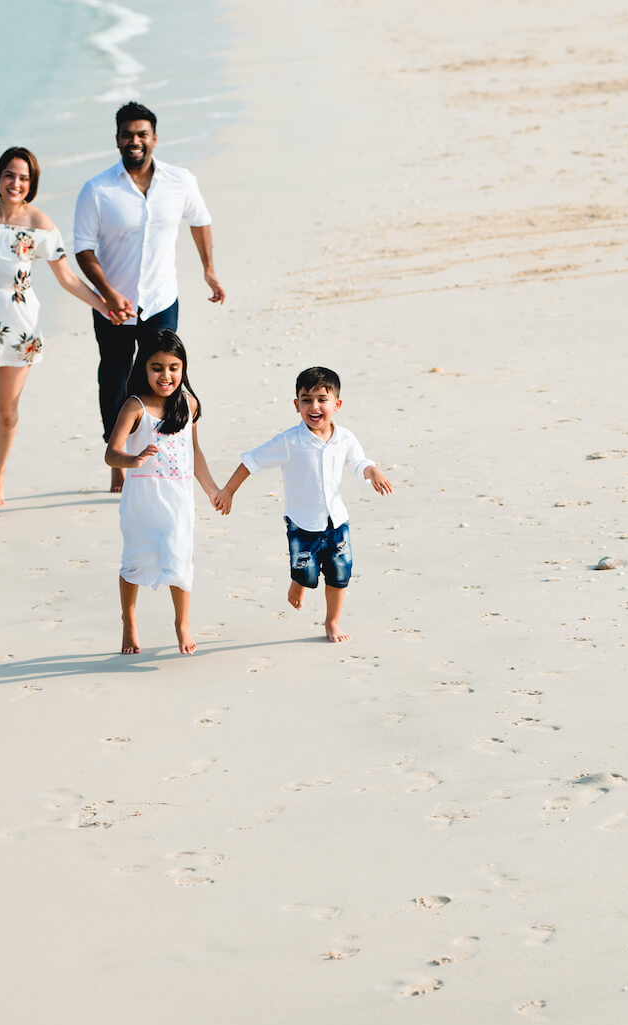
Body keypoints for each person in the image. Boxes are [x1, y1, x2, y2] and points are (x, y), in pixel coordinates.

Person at [0, 146, 121, 517]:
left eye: (23, 177)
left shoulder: (41, 224)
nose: (15, 183)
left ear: (31, 183)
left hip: (19, 321)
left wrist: (105, 305)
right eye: (9, 175)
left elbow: (67, 278)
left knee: (5, 410)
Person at [73, 102, 225, 492]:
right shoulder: (97, 189)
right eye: (128, 134)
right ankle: (118, 455)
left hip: (161, 300)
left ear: (154, 138)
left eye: (142, 134)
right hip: (113, 306)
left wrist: (208, 269)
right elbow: (84, 250)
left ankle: (162, 452)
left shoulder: (180, 180)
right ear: (118, 139)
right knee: (115, 377)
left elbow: (200, 220)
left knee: (159, 374)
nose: (135, 141)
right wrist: (108, 293)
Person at [213, 366, 394, 643]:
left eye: (322, 399)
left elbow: (358, 464)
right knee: (306, 572)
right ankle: (299, 582)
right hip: (302, 525)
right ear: (296, 405)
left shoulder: (345, 438)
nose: (315, 406)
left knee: (339, 574)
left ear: (337, 404)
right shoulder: (289, 441)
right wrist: (228, 491)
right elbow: (251, 461)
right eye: (307, 399)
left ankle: (332, 621)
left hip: (337, 523)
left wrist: (374, 472)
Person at [103, 330, 222, 656]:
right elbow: (111, 453)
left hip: (179, 498)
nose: (166, 375)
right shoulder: (135, 406)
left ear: (183, 368)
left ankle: (182, 623)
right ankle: (129, 619)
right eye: (157, 367)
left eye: (173, 367)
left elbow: (194, 452)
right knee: (135, 561)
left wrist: (212, 490)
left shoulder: (189, 405)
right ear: (143, 367)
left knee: (179, 558)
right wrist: (132, 459)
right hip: (142, 498)